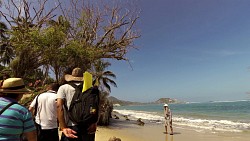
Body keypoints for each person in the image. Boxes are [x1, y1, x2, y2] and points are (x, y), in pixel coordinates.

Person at [57, 68, 97, 141]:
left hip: (70, 127)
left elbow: (59, 106)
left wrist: (63, 127)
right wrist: (94, 123)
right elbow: (96, 106)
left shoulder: (63, 88)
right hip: (87, 127)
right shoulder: (90, 89)